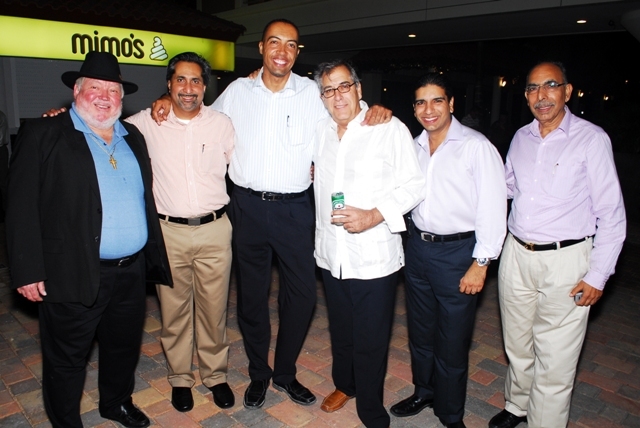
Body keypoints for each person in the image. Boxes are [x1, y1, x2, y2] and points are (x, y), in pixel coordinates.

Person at [151, 18, 391, 409]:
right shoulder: (237, 92)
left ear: (297, 51)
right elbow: (198, 116)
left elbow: (349, 109)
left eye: (291, 44)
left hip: (296, 209)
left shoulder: (313, 93)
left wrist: (374, 108)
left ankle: (285, 373)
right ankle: (259, 373)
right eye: (274, 42)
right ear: (262, 48)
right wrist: (165, 100)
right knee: (251, 298)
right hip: (246, 207)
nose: (282, 51)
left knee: (302, 297)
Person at [6, 51, 172, 428]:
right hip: (71, 269)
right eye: (95, 88)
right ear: (77, 91)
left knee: (123, 346)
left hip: (130, 271)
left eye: (112, 90)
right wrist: (28, 269)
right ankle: (66, 421)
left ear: (121, 98)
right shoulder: (45, 133)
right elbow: (20, 207)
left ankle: (116, 403)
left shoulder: (133, 137)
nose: (104, 97)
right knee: (67, 357)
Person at [488, 61, 626, 428]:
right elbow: (507, 187)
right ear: (526, 96)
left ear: (567, 91)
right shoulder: (521, 137)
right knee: (517, 343)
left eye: (550, 85)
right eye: (533, 88)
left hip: (566, 258)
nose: (541, 95)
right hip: (517, 253)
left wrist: (597, 275)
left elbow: (612, 213)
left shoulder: (591, 138)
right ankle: (517, 405)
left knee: (556, 357)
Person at [390, 73, 507, 428]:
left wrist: (481, 262)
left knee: (452, 340)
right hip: (418, 249)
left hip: (459, 254)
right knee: (420, 332)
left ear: (451, 104)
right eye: (421, 102)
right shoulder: (413, 147)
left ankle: (451, 412)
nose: (429, 109)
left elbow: (493, 207)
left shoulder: (476, 146)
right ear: (414, 109)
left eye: (437, 100)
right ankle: (424, 391)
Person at [312, 60, 425, 428]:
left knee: (371, 338)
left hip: (373, 255)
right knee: (341, 329)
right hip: (332, 253)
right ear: (322, 97)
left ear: (359, 89)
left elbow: (414, 185)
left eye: (344, 86)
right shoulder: (320, 131)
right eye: (329, 90)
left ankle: (371, 409)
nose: (337, 96)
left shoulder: (388, 128)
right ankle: (345, 385)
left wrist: (374, 215)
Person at [126, 52, 236, 412]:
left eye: (196, 80)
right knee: (174, 314)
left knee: (214, 310)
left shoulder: (222, 124)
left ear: (205, 86)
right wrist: (59, 118)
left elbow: (244, 165)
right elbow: (101, 130)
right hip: (168, 232)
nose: (188, 88)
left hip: (215, 231)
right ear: (169, 84)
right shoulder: (145, 122)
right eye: (180, 80)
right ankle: (180, 378)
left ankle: (215, 375)